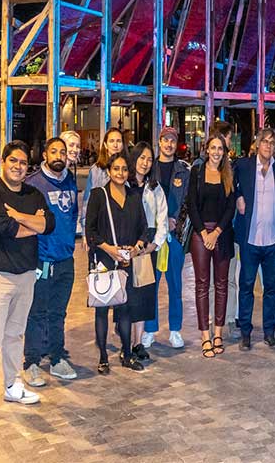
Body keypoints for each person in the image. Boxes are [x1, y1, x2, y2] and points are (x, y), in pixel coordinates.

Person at [0, 140, 54, 421]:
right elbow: (4, 229)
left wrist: (19, 216)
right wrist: (34, 223)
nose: (19, 167)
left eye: (23, 163)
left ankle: (12, 386)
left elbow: (50, 225)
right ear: (3, 163)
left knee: (14, 335)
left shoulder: (32, 193)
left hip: (26, 275)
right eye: (13, 161)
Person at [85, 152, 150, 374]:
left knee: (125, 309)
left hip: (126, 261)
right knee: (102, 309)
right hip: (104, 260)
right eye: (116, 169)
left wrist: (137, 248)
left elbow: (144, 228)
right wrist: (109, 249)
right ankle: (103, 357)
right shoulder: (98, 195)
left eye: (124, 169)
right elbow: (90, 231)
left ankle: (127, 354)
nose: (120, 173)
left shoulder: (134, 196)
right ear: (109, 171)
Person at [23, 138, 79, 386]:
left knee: (58, 313)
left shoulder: (70, 180)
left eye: (63, 152)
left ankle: (57, 357)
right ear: (44, 154)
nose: (59, 155)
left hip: (66, 259)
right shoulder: (34, 184)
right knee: (37, 313)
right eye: (54, 151)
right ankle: (31, 361)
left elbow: (73, 215)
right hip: (43, 260)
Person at [233, 127, 275, 350]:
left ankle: (269, 331)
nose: (268, 146)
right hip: (250, 238)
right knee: (246, 285)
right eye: (265, 142)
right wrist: (238, 196)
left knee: (271, 288)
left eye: (272, 143)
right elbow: (233, 187)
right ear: (257, 144)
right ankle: (245, 332)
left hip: (273, 239)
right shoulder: (244, 166)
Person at [187, 133, 237, 358]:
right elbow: (192, 205)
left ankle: (218, 333)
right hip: (201, 234)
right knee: (201, 284)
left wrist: (216, 232)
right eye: (213, 148)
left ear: (224, 152)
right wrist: (204, 232)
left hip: (222, 234)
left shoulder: (228, 174)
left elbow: (230, 207)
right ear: (206, 150)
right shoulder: (196, 172)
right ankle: (204, 335)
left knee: (222, 284)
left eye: (220, 148)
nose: (217, 152)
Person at [143, 127, 190, 350]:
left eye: (173, 140)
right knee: (151, 284)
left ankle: (175, 330)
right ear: (159, 142)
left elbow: (188, 203)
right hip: (153, 237)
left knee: (175, 285)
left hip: (174, 238)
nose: (169, 144)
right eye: (165, 140)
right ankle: (150, 330)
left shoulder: (183, 171)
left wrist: (176, 222)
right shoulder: (149, 169)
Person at [127, 142, 168, 360]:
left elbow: (163, 220)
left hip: (147, 248)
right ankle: (126, 340)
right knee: (126, 296)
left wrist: (154, 245)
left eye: (149, 159)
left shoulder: (155, 188)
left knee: (143, 295)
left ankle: (138, 343)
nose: (145, 163)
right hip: (126, 246)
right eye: (142, 158)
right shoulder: (123, 184)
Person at [80, 127, 124, 230]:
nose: (115, 145)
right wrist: (85, 231)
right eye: (111, 141)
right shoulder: (96, 170)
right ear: (105, 145)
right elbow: (87, 202)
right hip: (101, 226)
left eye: (119, 141)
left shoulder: (129, 169)